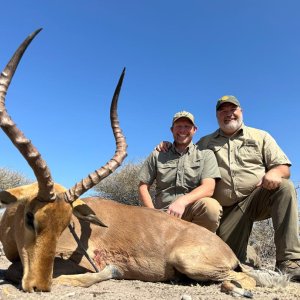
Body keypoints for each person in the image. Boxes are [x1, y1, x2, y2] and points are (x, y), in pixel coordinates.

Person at [156, 96, 300, 279]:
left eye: (232, 109)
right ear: (217, 116)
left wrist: (275, 173)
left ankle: (289, 261)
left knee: (285, 187)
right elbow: (185, 152)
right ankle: (250, 253)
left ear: (241, 111)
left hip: (255, 198)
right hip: (226, 212)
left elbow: (284, 167)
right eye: (223, 111)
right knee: (227, 260)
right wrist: (167, 145)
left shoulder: (261, 136)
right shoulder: (205, 143)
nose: (228, 114)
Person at [138, 111, 222, 233]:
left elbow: (208, 187)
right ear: (172, 130)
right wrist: (152, 213)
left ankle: (198, 246)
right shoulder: (158, 154)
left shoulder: (206, 154)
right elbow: (143, 186)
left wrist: (182, 202)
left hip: (190, 212)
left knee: (211, 207)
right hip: (162, 215)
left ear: (194, 129)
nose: (182, 130)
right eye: (179, 126)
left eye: (187, 126)